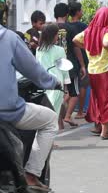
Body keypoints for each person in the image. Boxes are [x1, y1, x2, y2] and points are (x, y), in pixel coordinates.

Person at [0, 25, 59, 191]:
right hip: (8, 113)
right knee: (51, 120)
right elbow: (34, 71)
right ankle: (31, 175)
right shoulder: (9, 38)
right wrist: (54, 82)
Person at [73, 7, 108, 140]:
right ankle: (104, 132)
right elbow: (106, 42)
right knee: (107, 100)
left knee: (96, 99)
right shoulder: (107, 30)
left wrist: (88, 46)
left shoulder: (88, 31)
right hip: (106, 71)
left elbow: (75, 40)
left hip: (93, 70)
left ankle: (97, 126)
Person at [36, 23, 71, 130]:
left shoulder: (38, 50)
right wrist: (66, 86)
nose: (58, 36)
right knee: (54, 113)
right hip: (57, 83)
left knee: (44, 112)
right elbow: (64, 69)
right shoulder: (59, 50)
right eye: (57, 34)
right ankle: (49, 141)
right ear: (53, 35)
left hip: (43, 83)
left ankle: (46, 139)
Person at [65, 2, 89, 121]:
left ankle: (66, 109)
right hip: (81, 58)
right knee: (82, 85)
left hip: (69, 60)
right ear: (78, 12)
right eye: (81, 10)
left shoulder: (67, 26)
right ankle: (80, 111)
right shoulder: (83, 26)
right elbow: (81, 44)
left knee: (69, 87)